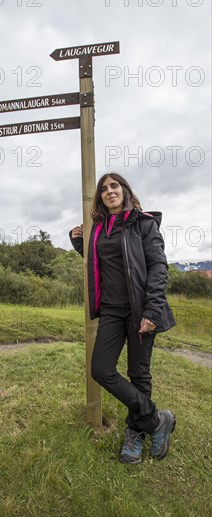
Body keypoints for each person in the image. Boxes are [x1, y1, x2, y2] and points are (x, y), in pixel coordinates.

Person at [69, 173, 176, 465]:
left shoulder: (143, 223)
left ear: (124, 190)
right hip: (112, 311)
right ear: (100, 198)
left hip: (141, 309)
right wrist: (80, 243)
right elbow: (98, 265)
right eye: (104, 189)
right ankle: (156, 420)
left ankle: (134, 432)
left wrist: (152, 311)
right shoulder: (99, 229)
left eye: (114, 186)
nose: (109, 191)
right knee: (101, 369)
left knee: (139, 373)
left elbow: (157, 267)